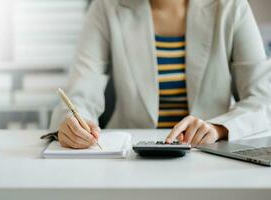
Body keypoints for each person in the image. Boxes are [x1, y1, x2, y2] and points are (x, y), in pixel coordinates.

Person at [50, 0, 271, 149]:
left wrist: (220, 128)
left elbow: (263, 98)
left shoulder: (232, 7)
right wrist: (72, 123)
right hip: (131, 157)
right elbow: (79, 93)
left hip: (209, 153)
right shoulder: (106, 7)